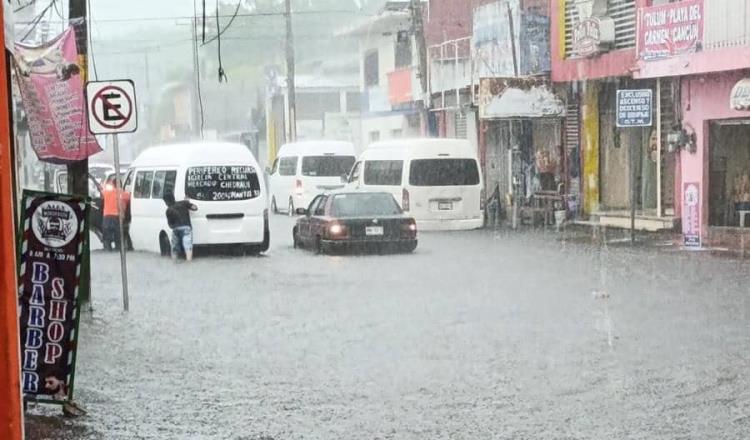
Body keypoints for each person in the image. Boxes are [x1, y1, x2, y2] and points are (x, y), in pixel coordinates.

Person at [163, 190, 197, 261]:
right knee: (188, 247)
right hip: (186, 228)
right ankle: (189, 262)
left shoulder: (168, 210)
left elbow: (170, 225)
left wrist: (175, 227)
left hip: (176, 229)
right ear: (173, 197)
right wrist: (188, 203)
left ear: (166, 201)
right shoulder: (183, 203)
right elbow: (195, 208)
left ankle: (174, 262)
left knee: (174, 248)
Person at [101, 175, 120, 251]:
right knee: (117, 233)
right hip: (115, 215)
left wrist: (107, 183)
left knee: (107, 233)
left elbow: (102, 190)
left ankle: (108, 248)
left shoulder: (106, 192)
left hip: (107, 215)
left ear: (112, 184)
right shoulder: (119, 193)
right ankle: (118, 248)